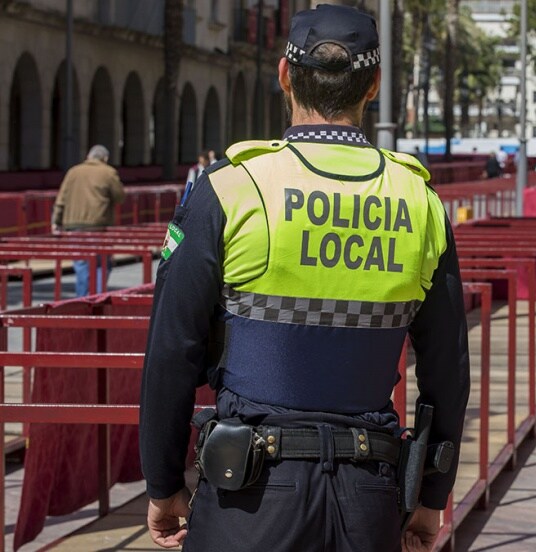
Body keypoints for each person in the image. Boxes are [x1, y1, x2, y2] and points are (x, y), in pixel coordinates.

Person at [139, 5, 470, 551]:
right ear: (374, 86)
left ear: (285, 75)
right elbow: (446, 368)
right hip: (369, 493)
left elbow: (173, 347)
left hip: (248, 496)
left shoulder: (232, 187)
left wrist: (163, 481)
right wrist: (433, 494)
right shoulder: (420, 200)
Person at [51, 144, 125, 296]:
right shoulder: (109, 173)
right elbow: (120, 197)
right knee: (101, 264)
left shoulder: (73, 172)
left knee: (81, 265)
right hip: (99, 226)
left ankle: (82, 300)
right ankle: (97, 300)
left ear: (88, 157)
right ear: (105, 158)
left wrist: (55, 221)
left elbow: (61, 199)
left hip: (74, 227)